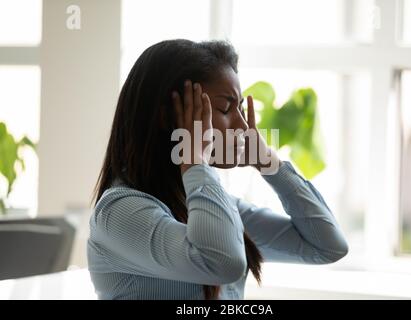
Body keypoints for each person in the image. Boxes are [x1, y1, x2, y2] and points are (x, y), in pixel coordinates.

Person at [87, 39, 348, 300]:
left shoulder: (212, 207)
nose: (244, 126)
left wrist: (269, 163)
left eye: (241, 109)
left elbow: (327, 246)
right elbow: (223, 264)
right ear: (168, 117)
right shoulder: (119, 211)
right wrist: (194, 159)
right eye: (226, 108)